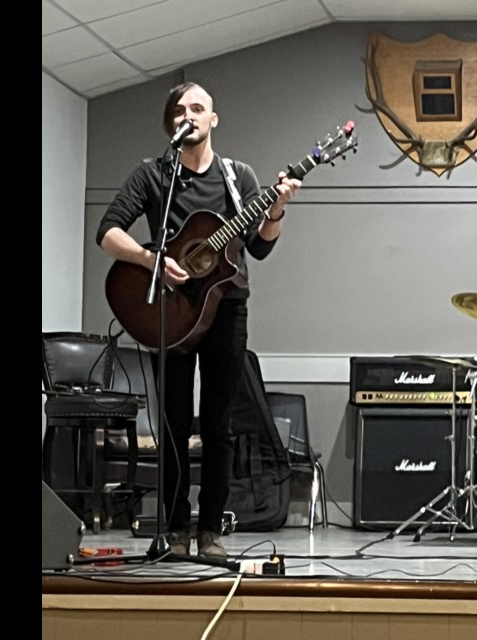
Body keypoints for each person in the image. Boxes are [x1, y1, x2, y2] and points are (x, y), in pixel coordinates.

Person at [96, 82, 301, 558]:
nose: (187, 115)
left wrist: (276, 211)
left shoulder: (239, 176)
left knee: (218, 422)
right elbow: (107, 232)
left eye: (197, 108)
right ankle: (172, 529)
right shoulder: (153, 175)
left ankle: (209, 531)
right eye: (180, 110)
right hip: (168, 308)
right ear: (173, 123)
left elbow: (261, 247)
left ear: (213, 120)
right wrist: (151, 261)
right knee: (170, 421)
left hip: (226, 307)